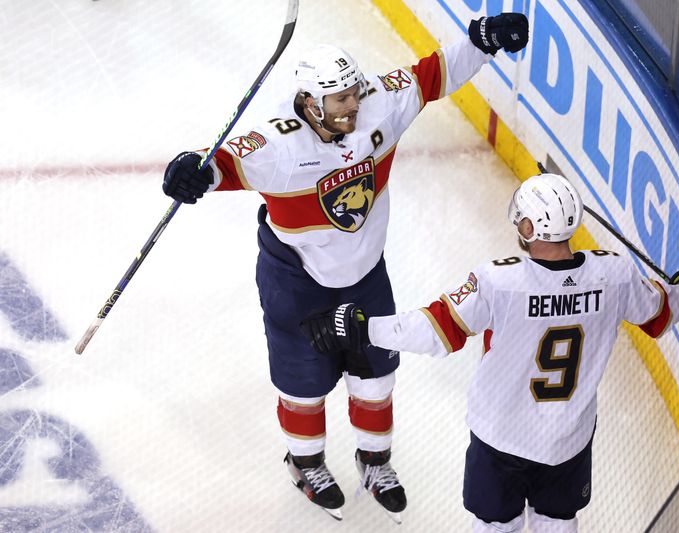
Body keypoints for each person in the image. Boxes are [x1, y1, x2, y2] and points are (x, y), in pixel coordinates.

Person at [159, 12, 529, 522]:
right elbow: (222, 162)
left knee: (376, 377)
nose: (354, 105)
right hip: (297, 279)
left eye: (354, 93)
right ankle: (305, 462)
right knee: (303, 384)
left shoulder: (377, 104)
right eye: (340, 99)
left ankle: (374, 461)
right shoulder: (279, 144)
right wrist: (191, 169)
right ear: (310, 103)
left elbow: (432, 75)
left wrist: (482, 42)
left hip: (366, 273)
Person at [300, 173, 679, 532]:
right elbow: (659, 313)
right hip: (568, 444)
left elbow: (435, 332)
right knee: (558, 524)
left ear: (529, 228)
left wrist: (361, 328)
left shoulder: (499, 283)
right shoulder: (613, 273)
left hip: (500, 443)